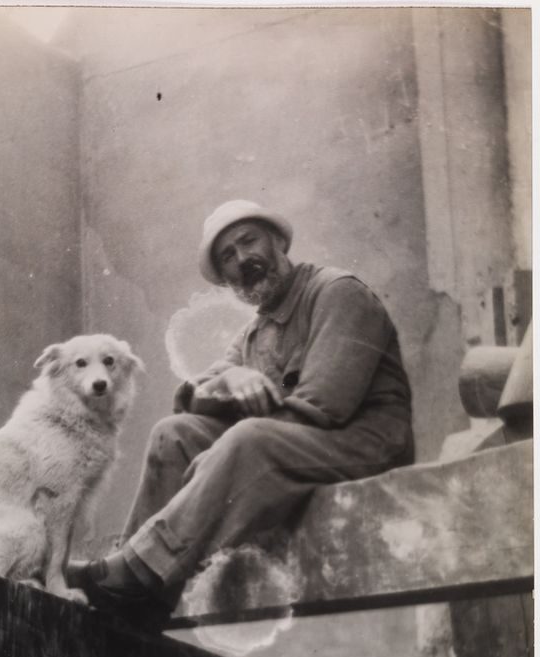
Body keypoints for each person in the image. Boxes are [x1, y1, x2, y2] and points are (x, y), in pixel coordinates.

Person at [68, 199, 414, 624]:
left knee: (248, 438)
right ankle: (140, 594)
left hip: (365, 443)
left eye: (249, 241)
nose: (242, 259)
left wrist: (219, 456)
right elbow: (192, 397)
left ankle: (136, 569)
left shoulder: (337, 292)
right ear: (226, 278)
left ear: (278, 242)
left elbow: (327, 406)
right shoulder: (254, 332)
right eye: (228, 256)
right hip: (294, 443)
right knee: (171, 434)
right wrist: (231, 380)